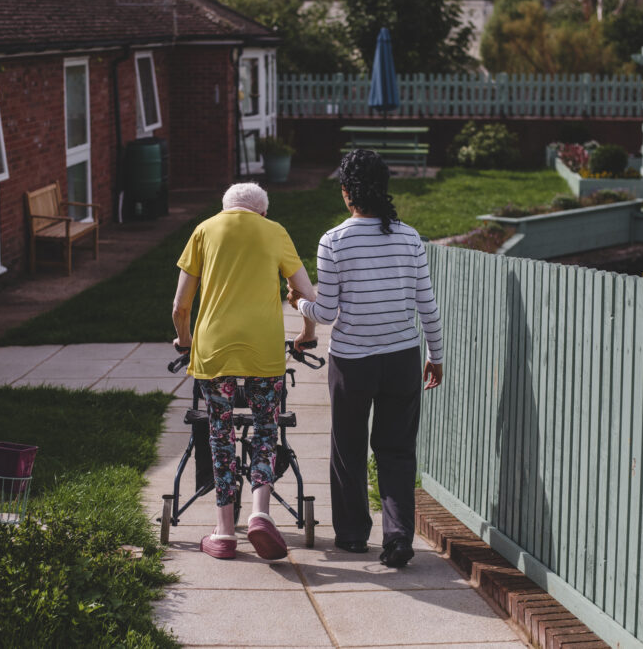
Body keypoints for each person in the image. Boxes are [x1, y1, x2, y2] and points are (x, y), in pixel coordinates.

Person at [288, 149, 443, 568]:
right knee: (396, 451)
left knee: (349, 449)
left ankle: (354, 536)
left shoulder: (333, 240)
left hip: (353, 363)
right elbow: (426, 305)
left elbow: (327, 312)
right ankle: (398, 539)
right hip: (402, 359)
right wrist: (436, 356)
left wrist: (300, 303)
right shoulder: (410, 237)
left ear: (345, 193)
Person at [172, 182, 316, 560]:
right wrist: (307, 334)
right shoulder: (275, 231)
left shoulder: (204, 230)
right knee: (267, 427)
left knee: (218, 434)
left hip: (214, 351)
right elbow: (307, 294)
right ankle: (259, 512)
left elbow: (180, 307)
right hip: (263, 351)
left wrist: (184, 341)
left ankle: (222, 534)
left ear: (225, 209)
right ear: (262, 213)